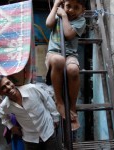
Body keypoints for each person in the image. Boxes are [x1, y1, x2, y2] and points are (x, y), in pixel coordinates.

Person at [45, 0, 86, 130]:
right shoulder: (57, 15)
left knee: (73, 69)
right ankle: (59, 101)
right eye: (68, 6)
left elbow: (68, 34)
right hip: (53, 54)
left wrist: (63, 16)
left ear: (82, 10)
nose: (71, 10)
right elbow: (48, 24)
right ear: (63, 6)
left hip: (70, 55)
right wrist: (56, 5)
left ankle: (72, 107)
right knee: (58, 60)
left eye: (76, 7)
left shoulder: (80, 21)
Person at [0, 75, 60, 150]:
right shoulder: (5, 106)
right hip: (30, 139)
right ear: (0, 93)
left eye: (8, 83)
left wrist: (56, 117)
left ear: (12, 82)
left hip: (48, 131)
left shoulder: (32, 88)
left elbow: (47, 99)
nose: (8, 87)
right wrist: (11, 127)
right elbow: (2, 115)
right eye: (3, 88)